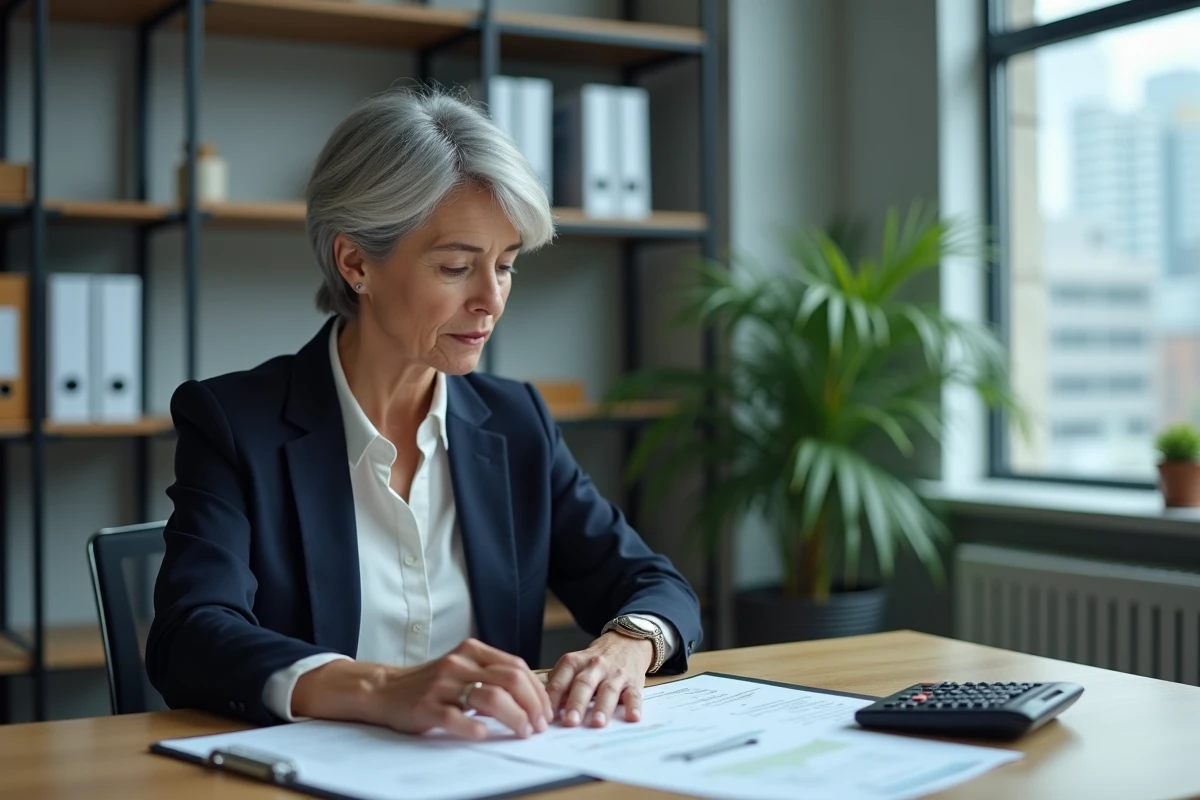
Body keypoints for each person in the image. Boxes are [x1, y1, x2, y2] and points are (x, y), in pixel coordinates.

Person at [146, 87, 703, 741]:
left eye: (506, 266)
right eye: (457, 266)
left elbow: (653, 582)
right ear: (355, 262)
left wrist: (628, 643)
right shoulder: (237, 424)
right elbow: (190, 634)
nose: (490, 300)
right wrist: (379, 688)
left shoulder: (516, 420)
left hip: (491, 771)